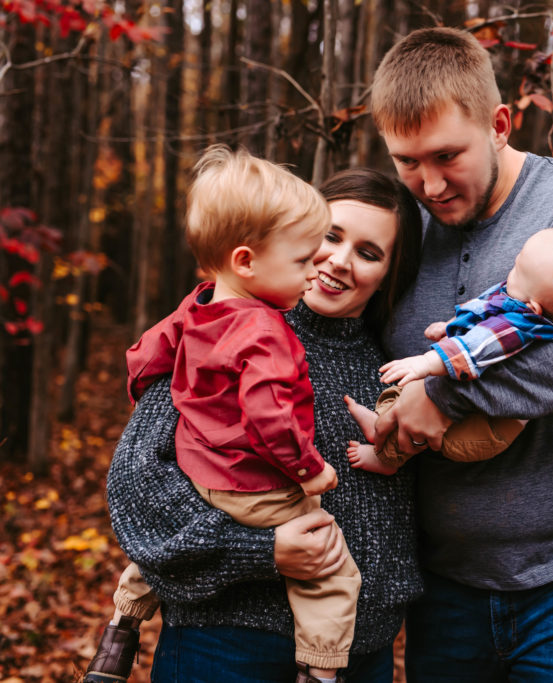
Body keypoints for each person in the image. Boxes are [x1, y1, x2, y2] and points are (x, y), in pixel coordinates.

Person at [369, 26, 553, 681]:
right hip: (446, 583)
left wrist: (449, 390)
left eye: (448, 155)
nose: (430, 182)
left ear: (500, 123)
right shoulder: (399, 226)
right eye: (407, 161)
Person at [92, 167, 424, 683]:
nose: (337, 260)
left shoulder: (396, 367)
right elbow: (136, 488)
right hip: (226, 643)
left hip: (364, 653)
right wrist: (261, 551)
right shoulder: (226, 329)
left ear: (390, 272)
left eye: (368, 252)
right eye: (329, 236)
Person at [345, 227, 553, 475]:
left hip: (487, 429)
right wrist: (452, 327)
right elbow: (486, 309)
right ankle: (383, 422)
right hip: (482, 407)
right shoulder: (525, 300)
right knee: (415, 395)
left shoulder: (520, 326)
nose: (510, 272)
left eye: (517, 271)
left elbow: (476, 349)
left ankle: (388, 458)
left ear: (534, 308)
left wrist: (426, 362)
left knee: (426, 411)